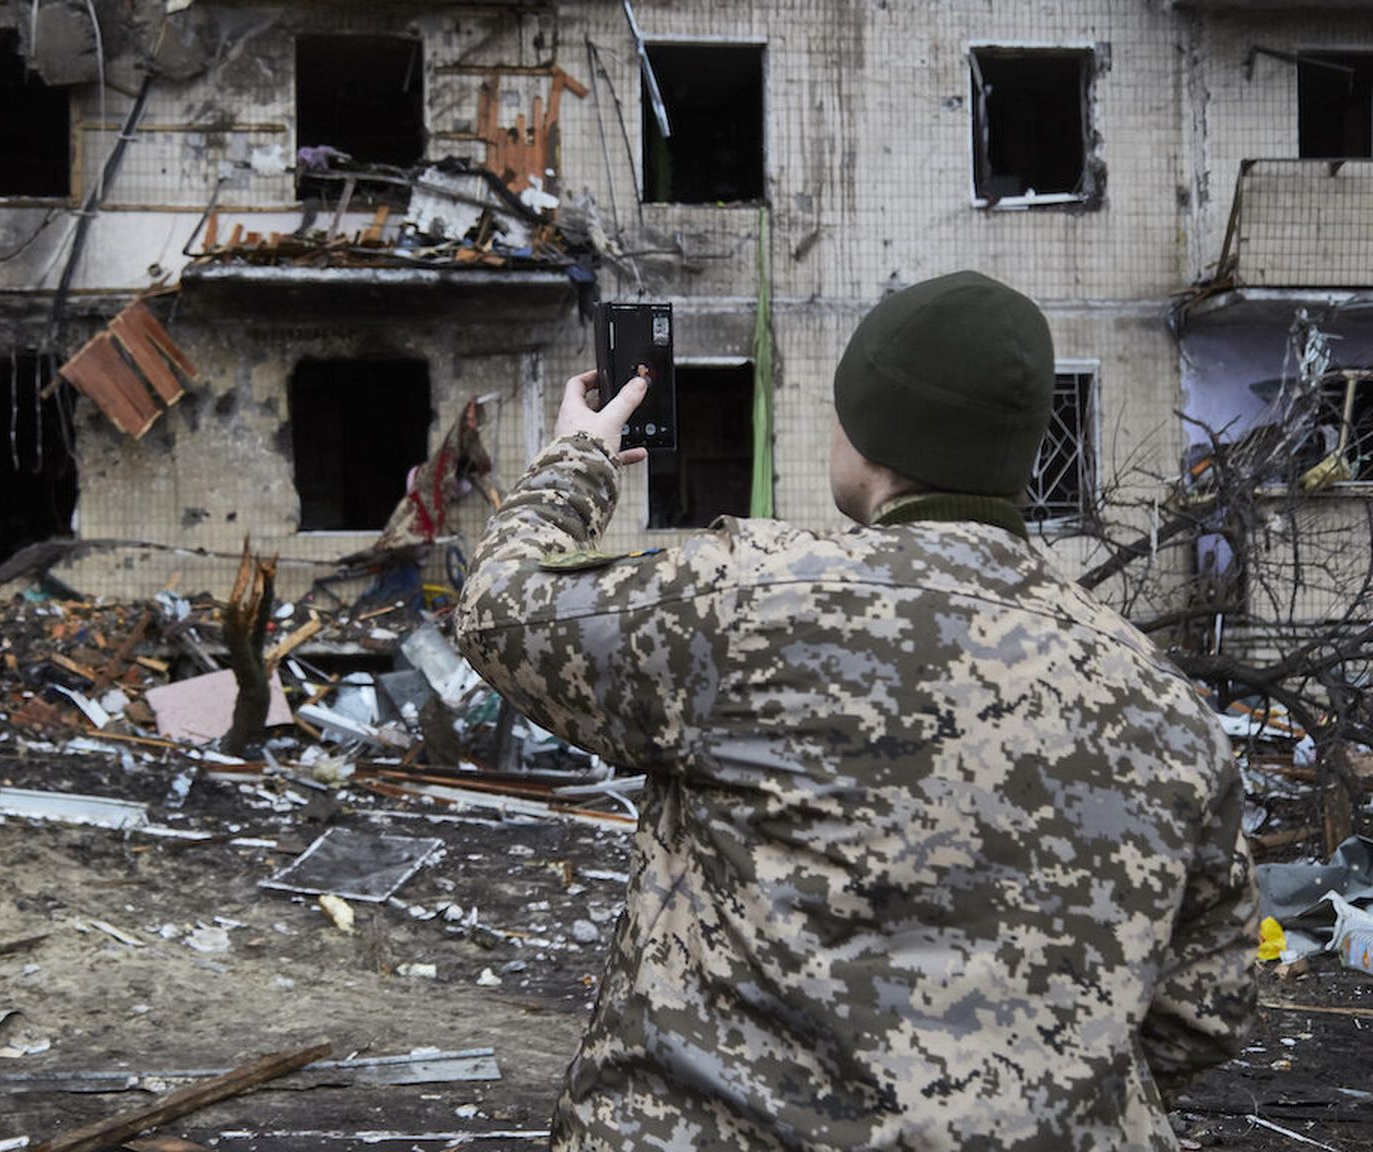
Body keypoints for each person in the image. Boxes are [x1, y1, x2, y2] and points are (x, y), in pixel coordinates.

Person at [455, 271, 1257, 1150]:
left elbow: (503, 609)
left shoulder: (747, 600)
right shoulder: (1163, 702)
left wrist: (579, 459)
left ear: (866, 435)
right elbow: (1205, 1009)